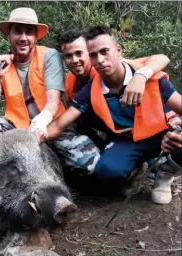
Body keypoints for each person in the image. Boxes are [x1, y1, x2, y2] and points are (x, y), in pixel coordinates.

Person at [0, 7, 100, 220]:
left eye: (29, 32)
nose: (23, 37)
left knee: (90, 165)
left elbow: (53, 102)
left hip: (53, 125)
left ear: (36, 36)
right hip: (17, 130)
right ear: (9, 35)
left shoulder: (49, 56)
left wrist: (41, 124)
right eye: (18, 31)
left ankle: (67, 188)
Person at [43, 25, 182, 204]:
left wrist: (141, 76)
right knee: (107, 172)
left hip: (161, 132)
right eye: (94, 55)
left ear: (118, 51)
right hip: (127, 139)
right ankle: (136, 168)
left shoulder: (147, 75)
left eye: (105, 52)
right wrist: (31, 136)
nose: (100, 60)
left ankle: (166, 173)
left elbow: (162, 58)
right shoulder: (87, 89)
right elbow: (59, 125)